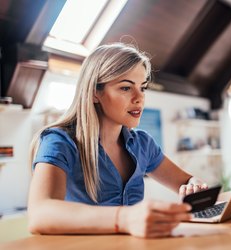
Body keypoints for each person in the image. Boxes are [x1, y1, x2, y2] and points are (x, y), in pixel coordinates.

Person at [28, 43, 208, 238]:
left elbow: (186, 181)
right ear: (95, 92)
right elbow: (40, 215)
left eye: (143, 88)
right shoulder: (60, 142)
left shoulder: (143, 144)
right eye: (125, 88)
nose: (139, 98)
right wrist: (125, 218)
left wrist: (194, 185)